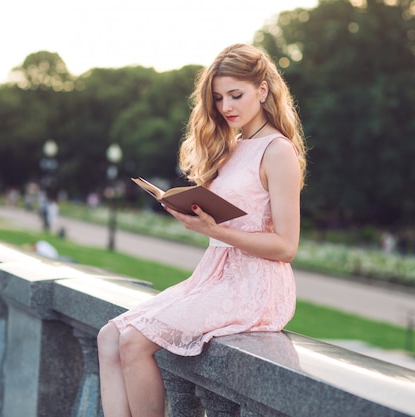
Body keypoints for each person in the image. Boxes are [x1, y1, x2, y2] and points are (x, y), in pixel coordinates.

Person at [97, 43, 307, 417]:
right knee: (108, 336)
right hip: (215, 274)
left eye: (236, 95)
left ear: (263, 90)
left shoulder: (278, 151)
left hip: (256, 286)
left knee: (132, 341)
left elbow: (286, 246)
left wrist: (214, 230)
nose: (226, 106)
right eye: (219, 97)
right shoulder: (235, 145)